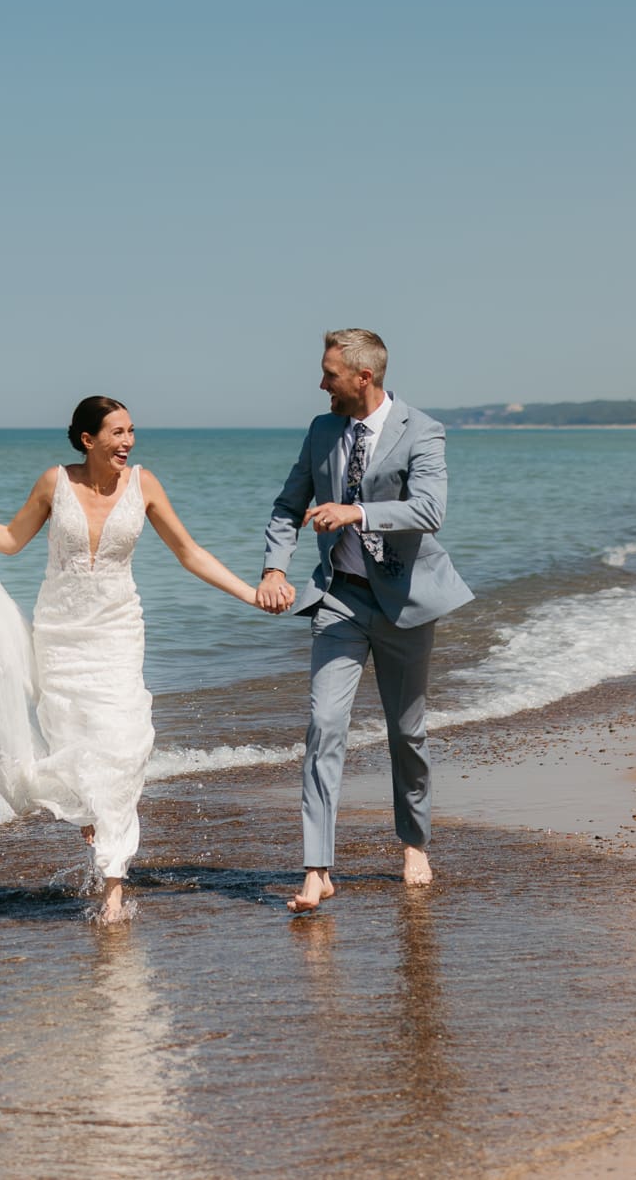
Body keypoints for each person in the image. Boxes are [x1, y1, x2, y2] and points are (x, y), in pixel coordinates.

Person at [0, 396, 266, 924]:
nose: (128, 441)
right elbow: (12, 540)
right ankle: (95, 820)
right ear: (88, 440)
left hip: (116, 633)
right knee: (73, 743)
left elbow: (189, 552)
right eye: (116, 432)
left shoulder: (144, 485)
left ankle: (112, 888)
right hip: (61, 636)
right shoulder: (53, 483)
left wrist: (249, 593)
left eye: (132, 431)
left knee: (123, 741)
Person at [256, 330, 473, 913]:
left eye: (329, 374)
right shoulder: (322, 429)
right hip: (339, 600)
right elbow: (286, 505)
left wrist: (357, 511)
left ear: (362, 378)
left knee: (408, 733)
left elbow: (430, 509)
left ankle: (414, 841)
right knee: (323, 725)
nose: (320, 384)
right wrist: (275, 568)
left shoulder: (422, 431)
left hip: (405, 601)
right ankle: (317, 870)